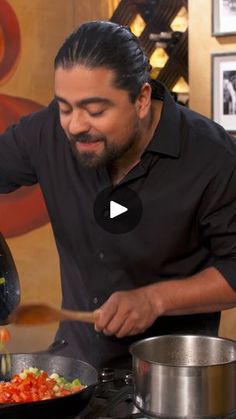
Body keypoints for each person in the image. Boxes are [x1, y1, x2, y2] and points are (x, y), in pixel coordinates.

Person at [1, 20, 236, 369]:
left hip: (173, 378)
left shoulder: (212, 156)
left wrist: (156, 300)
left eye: (96, 111)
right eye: (65, 107)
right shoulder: (49, 131)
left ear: (141, 99)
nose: (76, 125)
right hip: (73, 368)